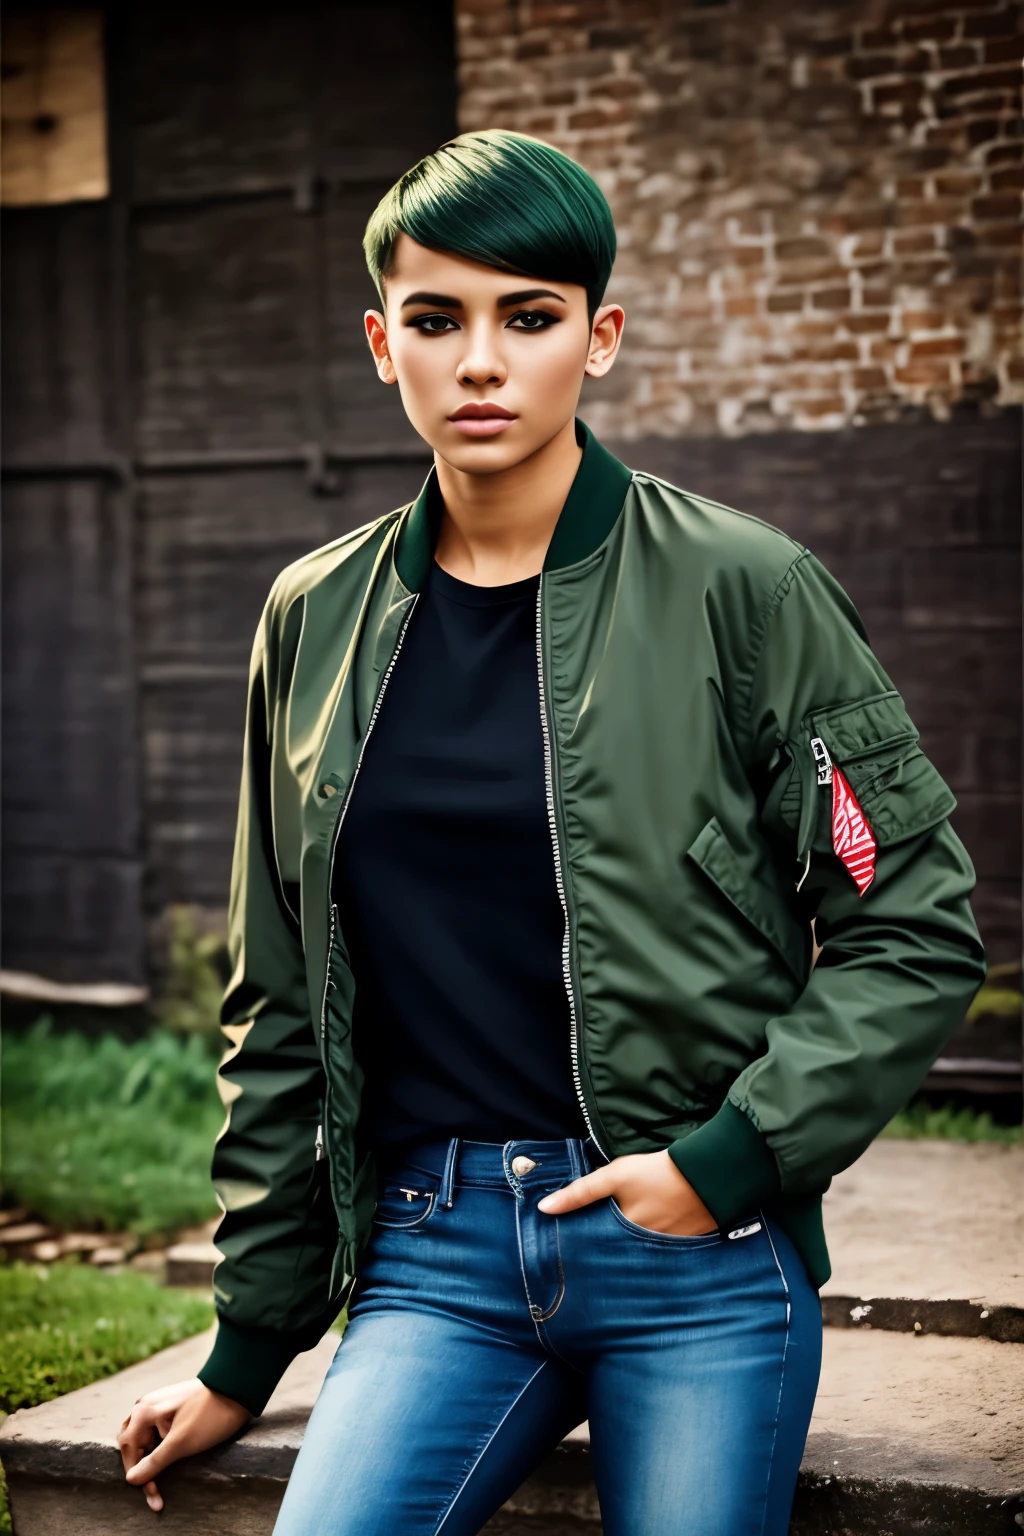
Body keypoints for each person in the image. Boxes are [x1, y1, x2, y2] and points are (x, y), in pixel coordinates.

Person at [118, 130, 986, 1535]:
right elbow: (281, 1000)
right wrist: (248, 1344)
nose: (480, 362)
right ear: (377, 341)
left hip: (693, 1252)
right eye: (436, 317)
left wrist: (728, 1165)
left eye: (528, 318)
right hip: (435, 1255)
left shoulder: (745, 591)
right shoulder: (315, 620)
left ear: (600, 337)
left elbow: (914, 924)